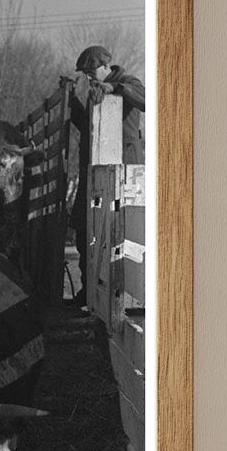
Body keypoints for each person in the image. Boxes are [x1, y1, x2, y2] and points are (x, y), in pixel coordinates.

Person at [68, 45, 146, 307]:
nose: (90, 78)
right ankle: (89, 292)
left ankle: (126, 295)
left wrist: (117, 90)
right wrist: (72, 101)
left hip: (125, 173)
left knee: (125, 234)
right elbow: (89, 128)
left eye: (91, 72)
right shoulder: (95, 92)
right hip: (95, 173)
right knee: (85, 231)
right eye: (86, 74)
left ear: (105, 66)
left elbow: (147, 101)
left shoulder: (127, 82)